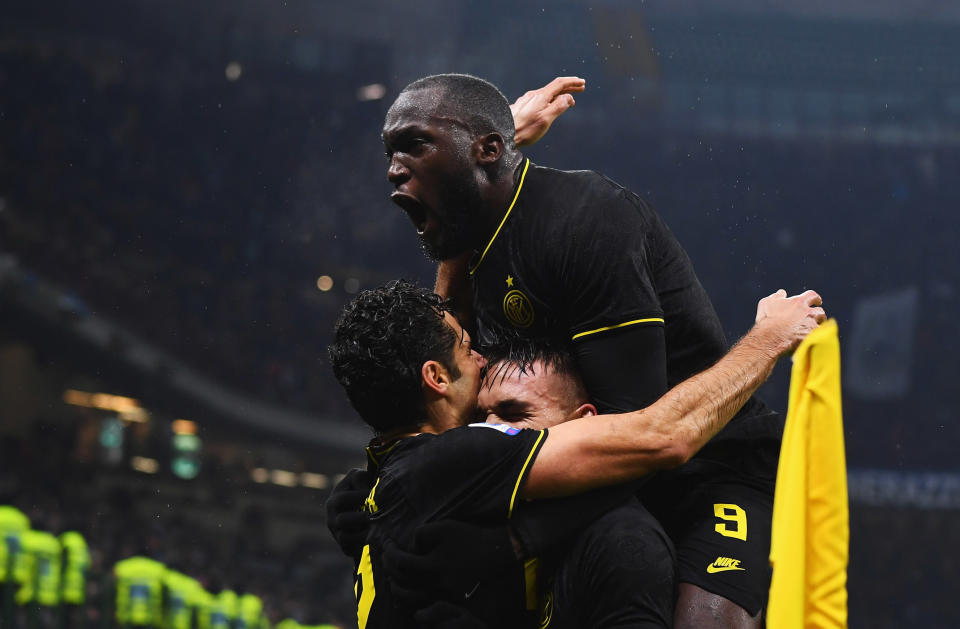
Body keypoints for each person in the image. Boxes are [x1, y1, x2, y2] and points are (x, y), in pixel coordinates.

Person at [380, 72, 788, 627]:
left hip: (706, 465)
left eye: (415, 143)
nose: (394, 168)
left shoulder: (584, 221)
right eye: (391, 151)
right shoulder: (479, 234)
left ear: (487, 150)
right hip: (597, 465)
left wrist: (518, 540)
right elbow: (447, 350)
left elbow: (642, 431)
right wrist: (484, 167)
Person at [327, 279, 824, 628]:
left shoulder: (377, 483)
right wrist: (768, 340)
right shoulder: (453, 459)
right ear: (435, 378)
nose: (481, 355)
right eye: (465, 345)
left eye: (515, 411)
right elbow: (663, 435)